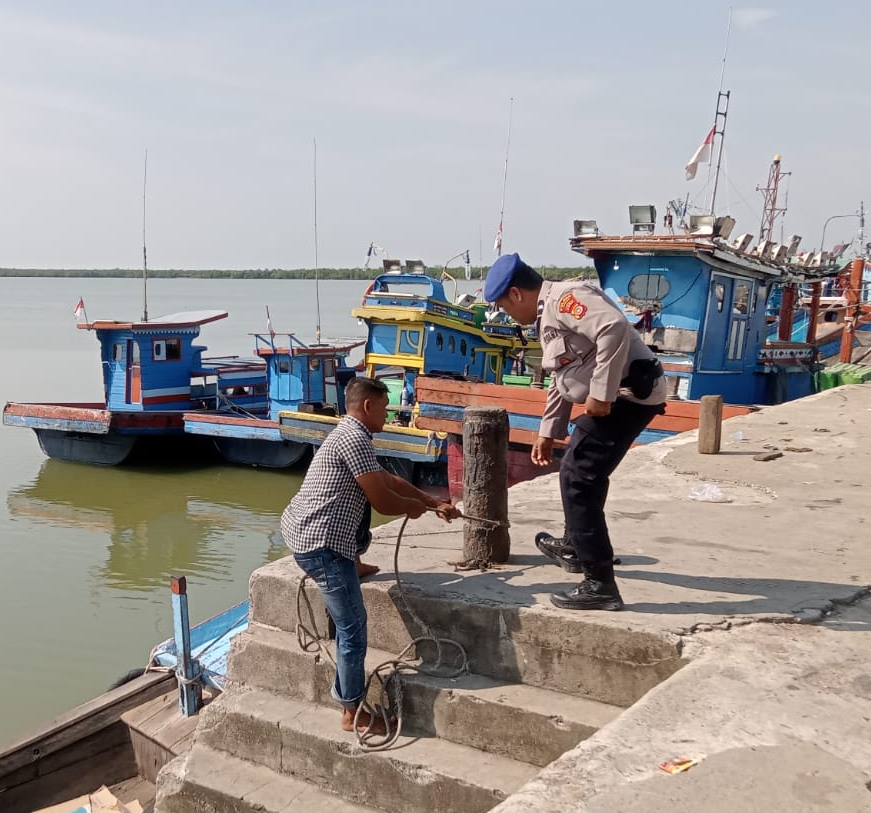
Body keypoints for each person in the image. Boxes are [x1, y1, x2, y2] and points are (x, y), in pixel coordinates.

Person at [484, 253, 666, 611]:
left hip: (629, 395)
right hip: (620, 395)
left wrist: (601, 394)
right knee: (583, 471)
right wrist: (548, 430)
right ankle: (574, 547)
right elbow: (563, 375)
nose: (508, 315)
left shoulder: (566, 299)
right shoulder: (546, 314)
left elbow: (613, 327)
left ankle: (599, 584)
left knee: (578, 476)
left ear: (517, 293)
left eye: (505, 308)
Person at [281, 377, 458, 733]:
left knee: (357, 501)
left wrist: (432, 502)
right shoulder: (355, 437)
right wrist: (412, 508)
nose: (388, 413)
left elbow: (387, 482)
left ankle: (355, 563)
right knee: (353, 627)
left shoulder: (350, 434)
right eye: (385, 407)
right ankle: (351, 711)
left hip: (306, 531)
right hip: (321, 548)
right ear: (368, 407)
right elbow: (384, 500)